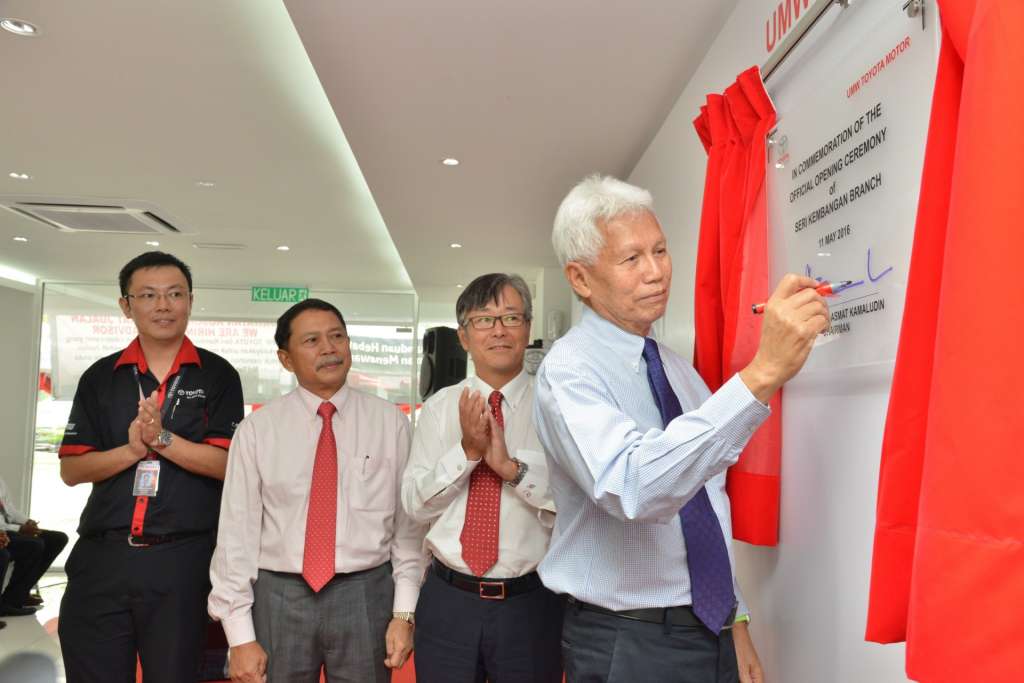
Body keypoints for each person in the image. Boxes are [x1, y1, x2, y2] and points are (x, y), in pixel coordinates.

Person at [534, 175, 829, 683]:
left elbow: (708, 501)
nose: (656, 272)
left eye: (661, 250)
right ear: (580, 279)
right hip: (628, 641)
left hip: (708, 630)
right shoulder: (568, 371)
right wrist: (761, 375)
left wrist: (735, 620)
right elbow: (634, 486)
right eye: (632, 260)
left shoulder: (675, 369)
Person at [209, 298, 428, 683]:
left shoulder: (390, 423)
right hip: (279, 597)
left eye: (337, 336)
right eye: (312, 340)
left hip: (366, 594)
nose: (329, 348)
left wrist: (404, 613)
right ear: (286, 358)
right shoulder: (259, 430)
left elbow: (408, 530)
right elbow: (236, 535)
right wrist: (239, 636)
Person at [57, 251, 244, 683]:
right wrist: (130, 450)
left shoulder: (217, 375)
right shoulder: (100, 377)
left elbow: (227, 465)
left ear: (190, 301)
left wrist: (162, 440)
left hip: (183, 560)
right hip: (102, 558)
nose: (164, 305)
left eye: (175, 294)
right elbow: (72, 470)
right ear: (126, 305)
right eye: (149, 295)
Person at [402, 273, 561, 683]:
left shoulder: (557, 408)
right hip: (449, 600)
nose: (499, 330)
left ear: (528, 329)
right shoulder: (438, 409)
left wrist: (512, 469)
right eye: (484, 320)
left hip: (531, 602)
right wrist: (468, 454)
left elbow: (576, 504)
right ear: (464, 336)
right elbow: (414, 505)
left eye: (511, 317)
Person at [0, 474, 68, 615]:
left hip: (9, 527)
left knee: (57, 539)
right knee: (34, 545)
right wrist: (20, 529)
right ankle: (11, 600)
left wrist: (27, 521)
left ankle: (21, 592)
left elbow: (9, 508)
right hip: (4, 530)